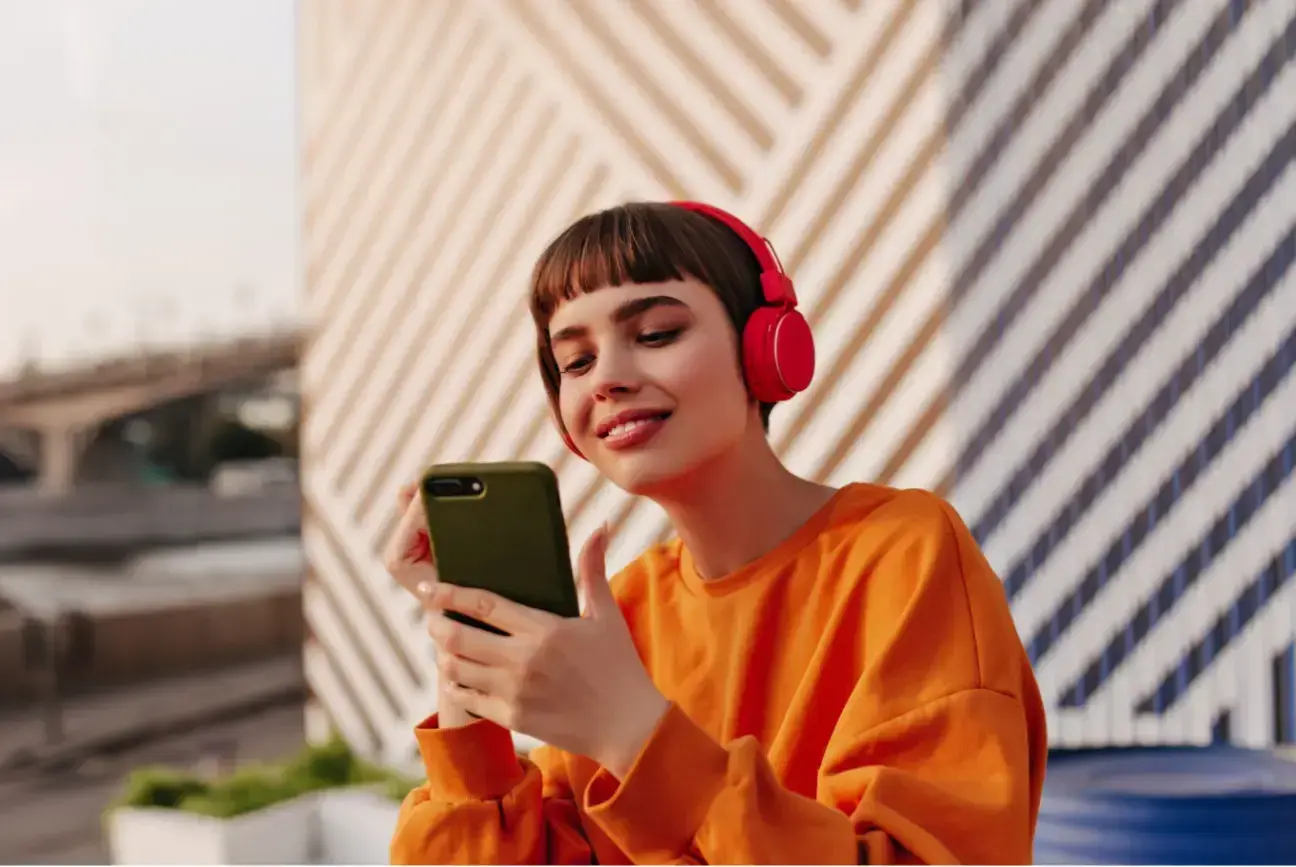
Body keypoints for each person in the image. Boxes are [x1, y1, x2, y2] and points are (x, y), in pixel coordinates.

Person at [384, 201, 1048, 864]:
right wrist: (465, 665)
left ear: (767, 350)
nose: (608, 379)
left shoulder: (903, 551)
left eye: (656, 333)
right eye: (576, 363)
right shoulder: (622, 613)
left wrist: (634, 734)